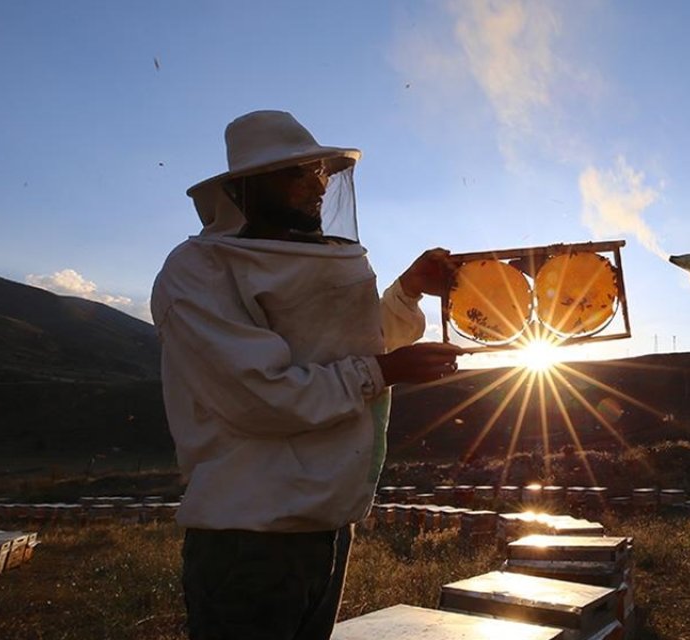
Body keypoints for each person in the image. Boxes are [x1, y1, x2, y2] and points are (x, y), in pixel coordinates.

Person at [151, 110, 463, 639]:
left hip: (327, 525)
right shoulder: (199, 271)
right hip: (249, 536)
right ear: (247, 187)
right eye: (296, 174)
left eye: (320, 172)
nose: (317, 185)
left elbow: (347, 346)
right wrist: (384, 370)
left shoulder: (302, 259)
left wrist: (407, 291)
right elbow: (259, 395)